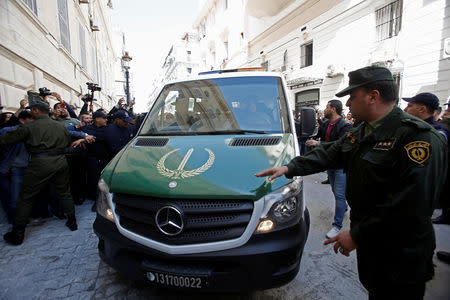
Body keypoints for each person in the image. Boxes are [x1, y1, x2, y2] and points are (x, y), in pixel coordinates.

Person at [255, 66, 447, 299]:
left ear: (373, 97)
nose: (347, 104)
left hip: (401, 251)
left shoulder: (418, 138)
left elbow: (411, 205)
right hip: (372, 244)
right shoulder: (363, 131)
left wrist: (357, 235)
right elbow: (331, 152)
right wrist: (289, 167)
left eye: (352, 97)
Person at [0, 96, 81, 245]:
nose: (31, 113)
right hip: (60, 161)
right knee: (64, 192)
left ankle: (18, 233)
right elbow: (67, 142)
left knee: (26, 197)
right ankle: (72, 221)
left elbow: (5, 140)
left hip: (40, 162)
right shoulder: (60, 126)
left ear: (36, 110)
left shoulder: (29, 127)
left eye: (32, 110)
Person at [306, 100, 352, 238]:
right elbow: (316, 134)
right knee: (335, 191)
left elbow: (340, 145)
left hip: (340, 166)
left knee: (339, 194)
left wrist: (318, 143)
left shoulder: (345, 126)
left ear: (333, 109)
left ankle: (337, 226)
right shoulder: (326, 123)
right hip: (330, 165)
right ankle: (343, 208)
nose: (324, 109)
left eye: (326, 107)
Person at [403, 93, 450, 226]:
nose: (406, 110)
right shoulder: (414, 129)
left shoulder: (434, 133)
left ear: (422, 109)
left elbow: (425, 175)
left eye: (410, 105)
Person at [0, 110, 34, 223]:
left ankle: (20, 218)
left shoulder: (31, 130)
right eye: (31, 119)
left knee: (20, 195)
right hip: (11, 168)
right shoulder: (9, 131)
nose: (33, 122)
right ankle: (16, 220)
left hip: (22, 167)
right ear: (21, 120)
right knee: (12, 196)